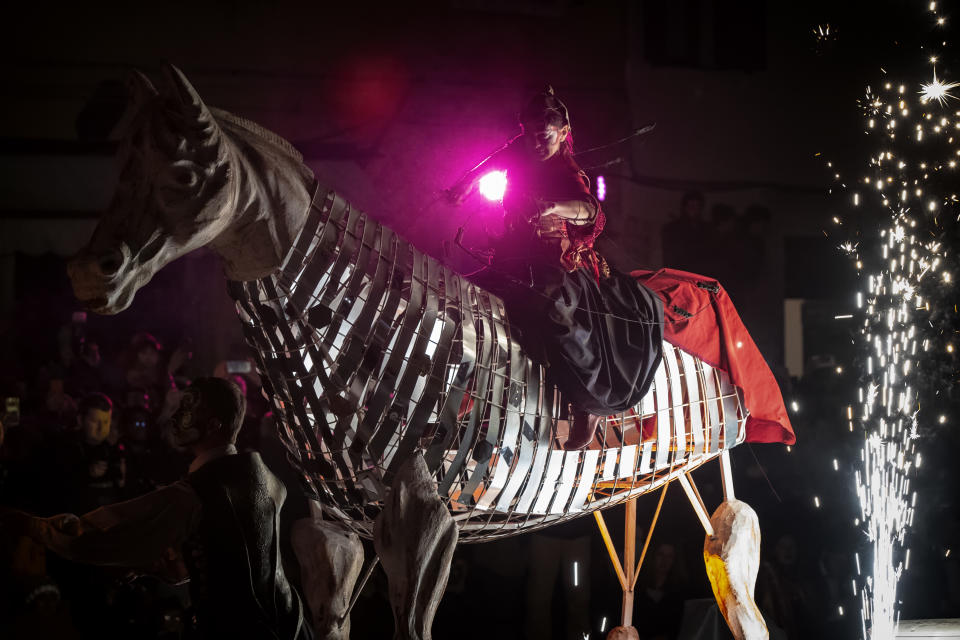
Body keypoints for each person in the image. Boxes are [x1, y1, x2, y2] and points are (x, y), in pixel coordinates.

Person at [2, 377, 310, 639]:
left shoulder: (194, 493)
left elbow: (97, 534)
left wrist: (28, 525)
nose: (176, 417)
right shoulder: (267, 479)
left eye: (189, 410)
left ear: (214, 425)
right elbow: (239, 556)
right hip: (291, 626)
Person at [447, 86, 663, 449]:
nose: (536, 142)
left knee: (555, 313)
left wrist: (552, 208)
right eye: (530, 134)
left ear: (563, 133)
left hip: (555, 262)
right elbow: (492, 161)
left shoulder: (567, 169)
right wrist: (463, 184)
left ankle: (587, 403)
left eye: (545, 135)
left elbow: (590, 210)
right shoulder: (519, 151)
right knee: (464, 294)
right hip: (512, 255)